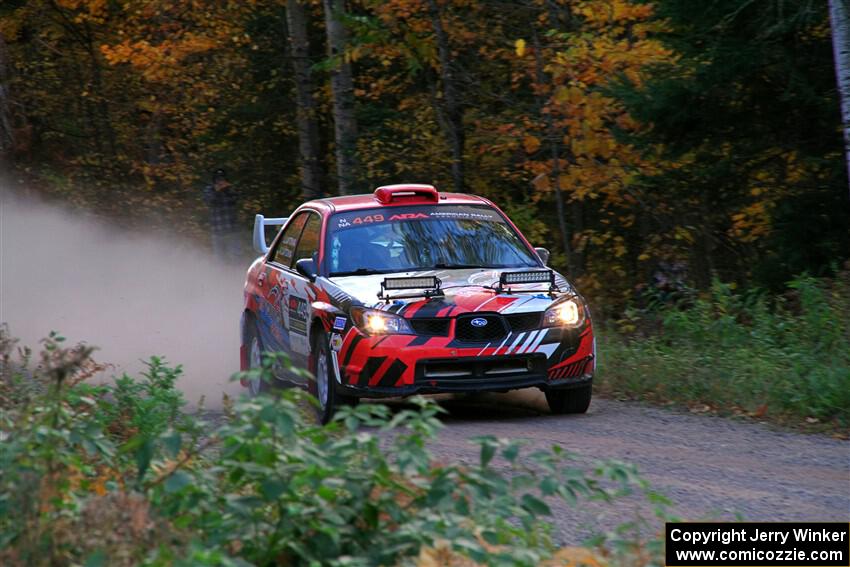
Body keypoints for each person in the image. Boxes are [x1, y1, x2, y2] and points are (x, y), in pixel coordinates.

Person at [202, 168, 242, 262]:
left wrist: (227, 190)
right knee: (219, 258)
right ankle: (220, 275)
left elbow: (236, 199)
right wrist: (217, 191)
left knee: (235, 256)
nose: (220, 181)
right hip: (217, 230)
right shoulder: (209, 189)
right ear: (214, 180)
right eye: (218, 179)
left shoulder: (230, 189)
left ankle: (233, 274)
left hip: (232, 229)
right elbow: (209, 201)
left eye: (222, 178)